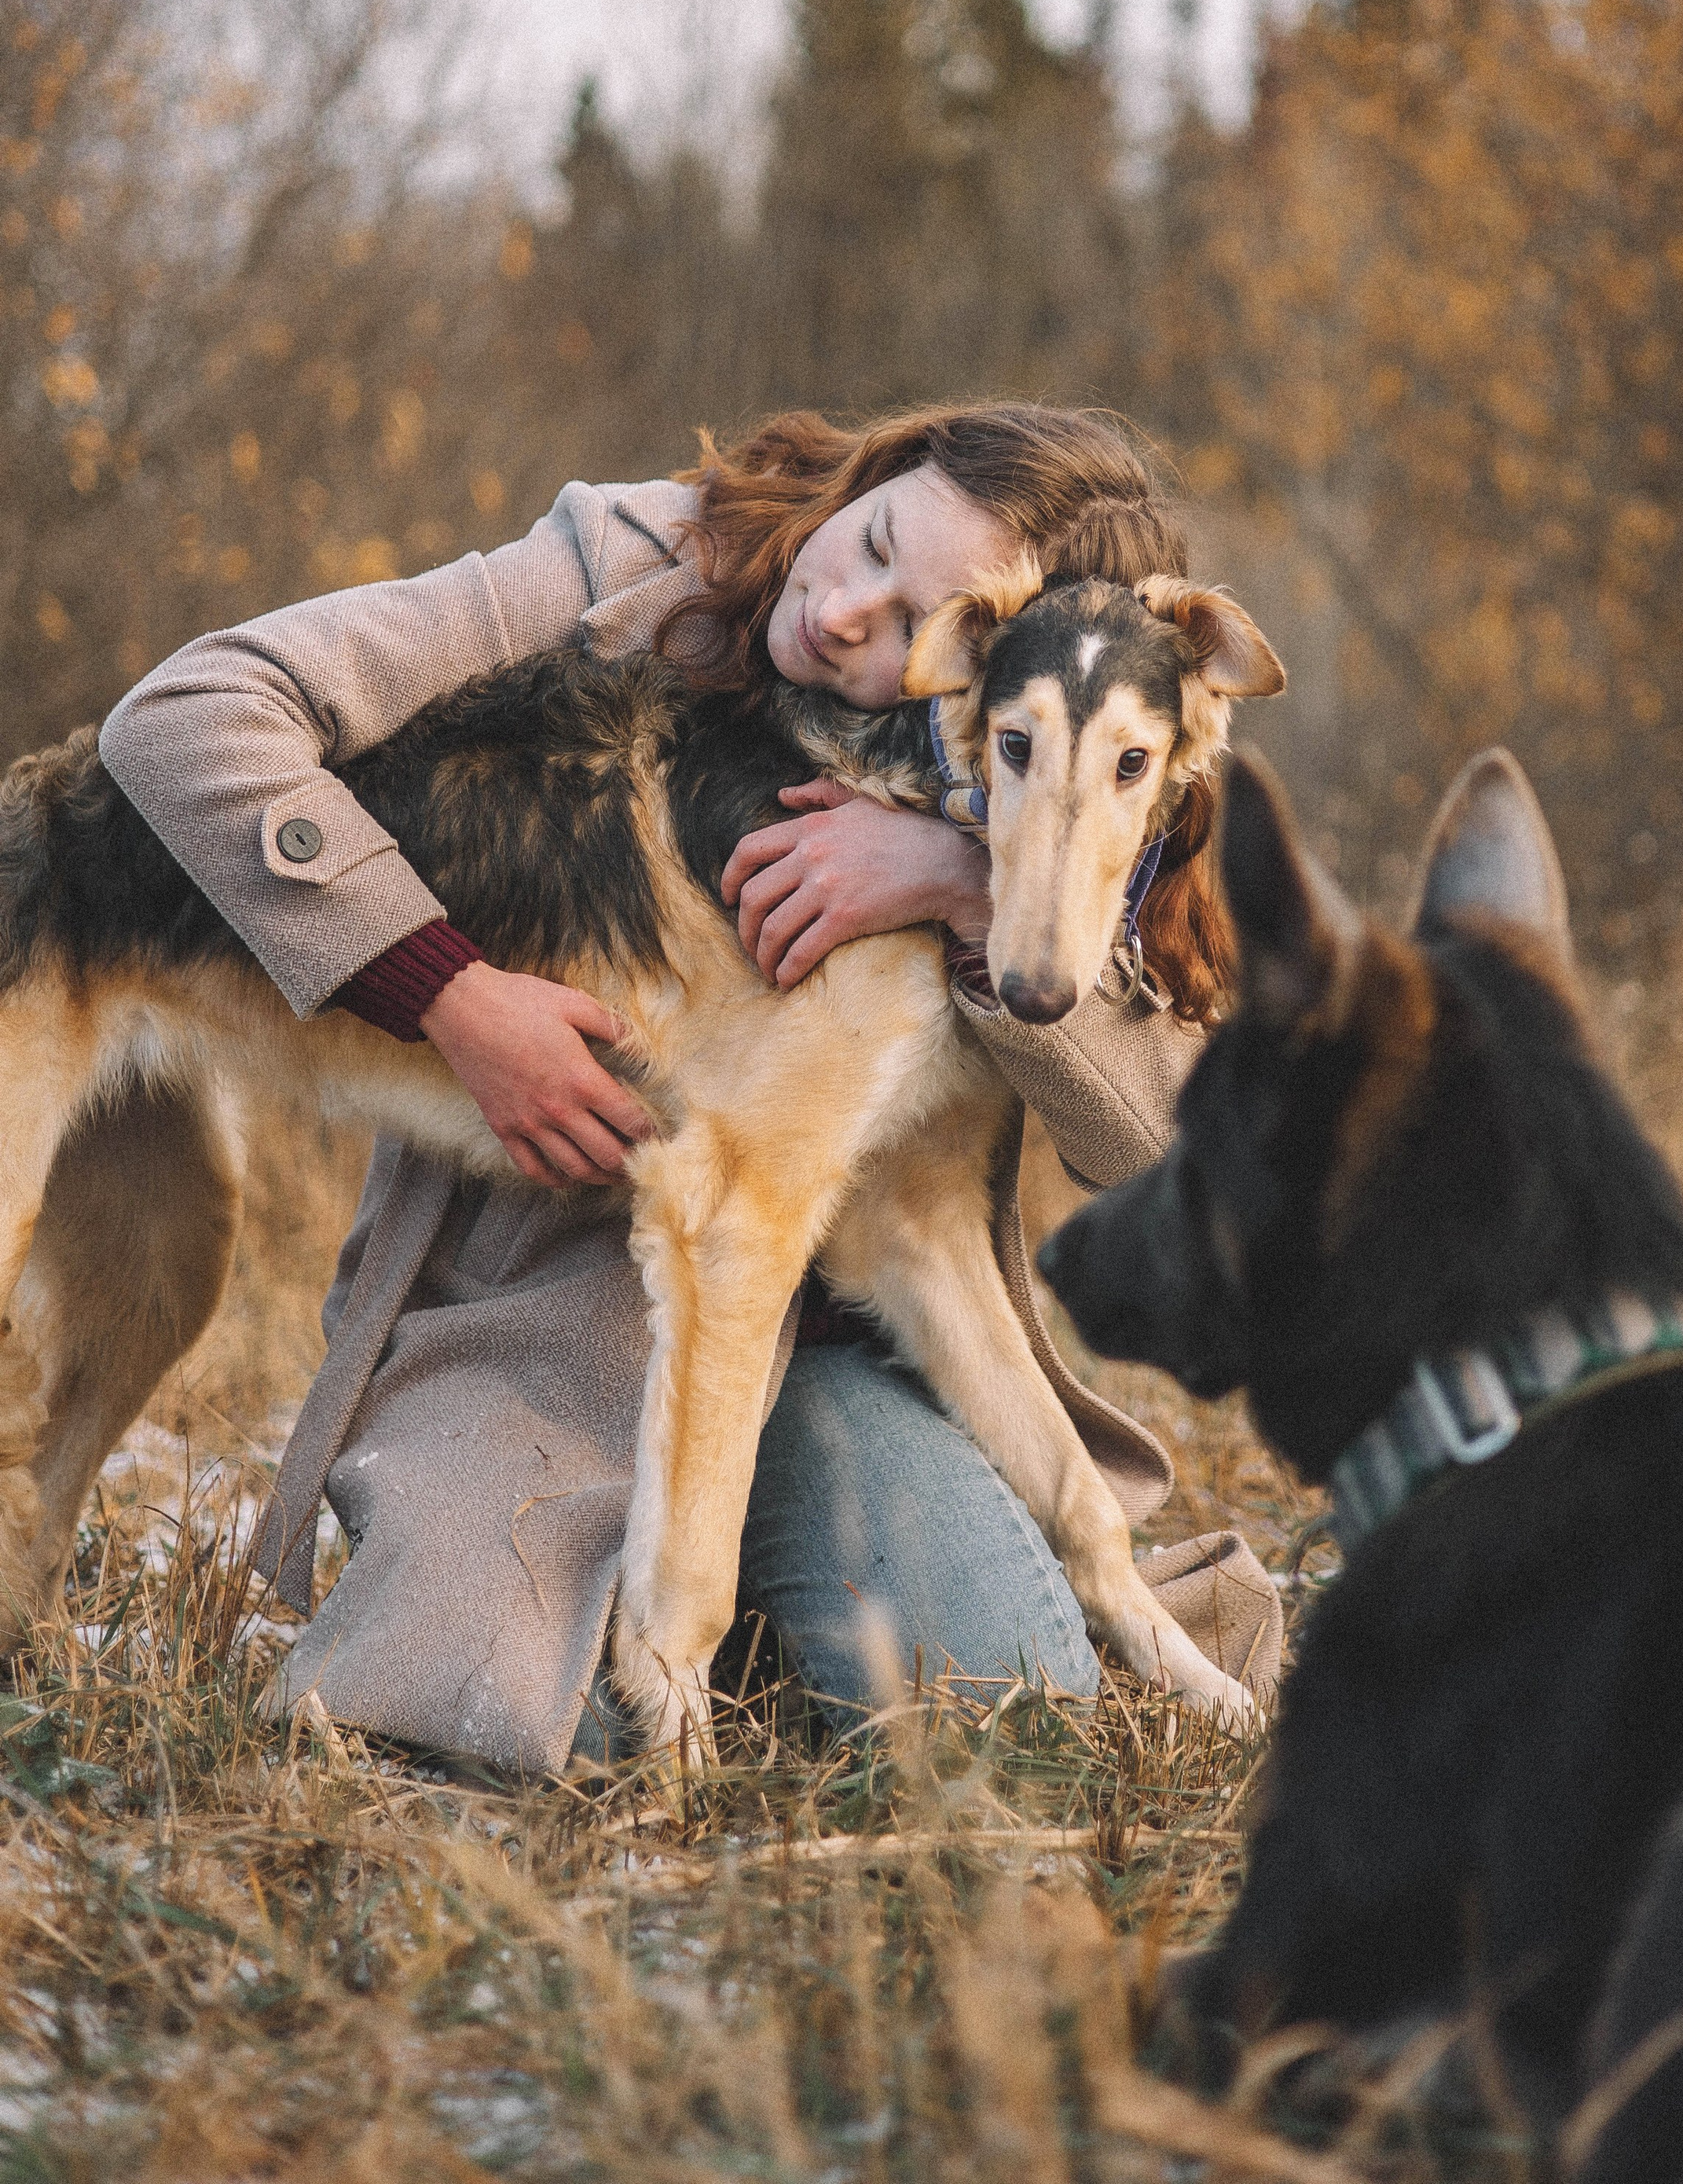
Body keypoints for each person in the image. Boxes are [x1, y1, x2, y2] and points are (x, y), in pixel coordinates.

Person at [97, 402, 1281, 1775]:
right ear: (875, 475)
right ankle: (676, 1616)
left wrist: (970, 883)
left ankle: (788, 1620)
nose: (848, 614)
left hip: (845, 1362)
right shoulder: (624, 555)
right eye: (875, 544)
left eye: (915, 623)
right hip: (549, 1330)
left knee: (1005, 1720)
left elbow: (1153, 1146)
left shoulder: (1060, 770)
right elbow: (192, 716)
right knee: (515, 1736)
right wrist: (450, 996)